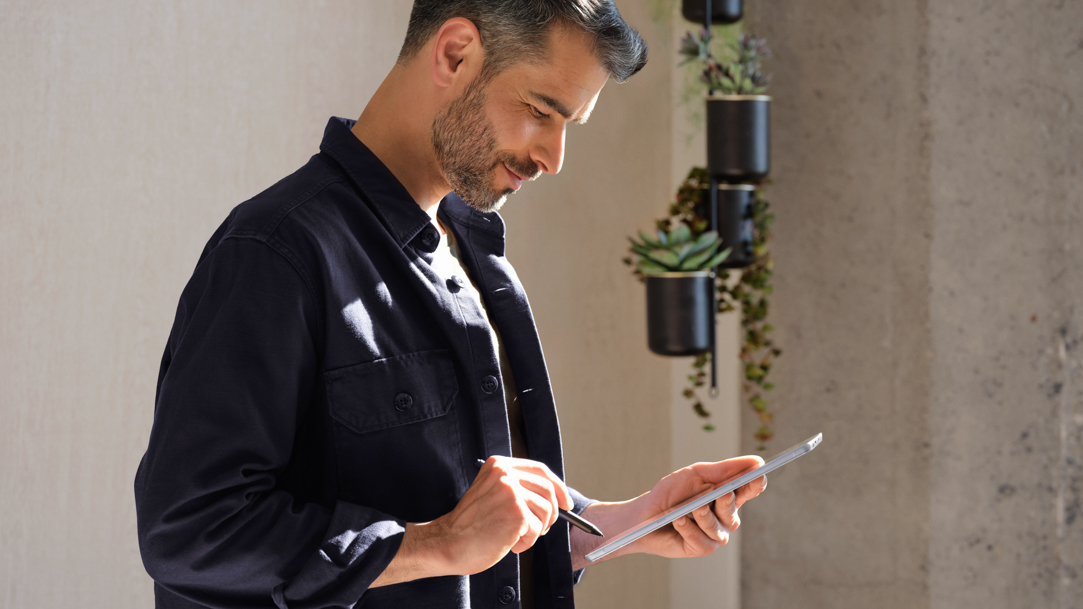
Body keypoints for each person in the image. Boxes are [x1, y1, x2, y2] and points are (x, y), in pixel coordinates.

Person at [134, 1, 769, 608]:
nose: (553, 158)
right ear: (457, 54)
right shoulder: (278, 252)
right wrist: (437, 544)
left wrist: (620, 522)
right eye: (542, 111)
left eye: (568, 125)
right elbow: (190, 531)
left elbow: (476, 529)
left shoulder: (476, 254)